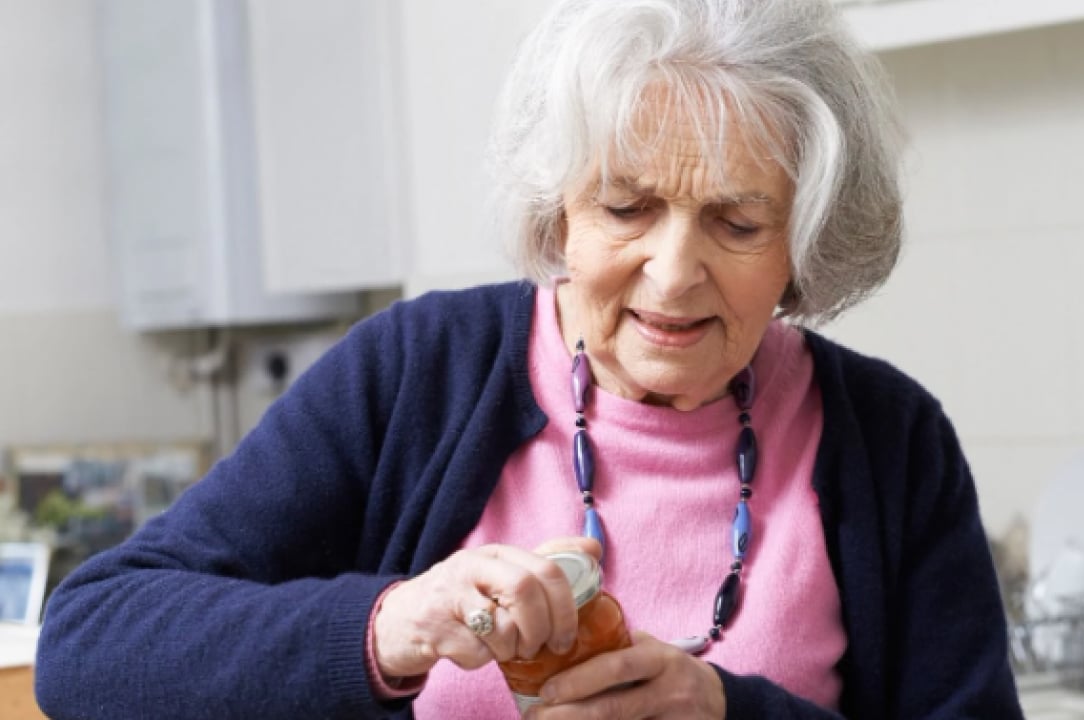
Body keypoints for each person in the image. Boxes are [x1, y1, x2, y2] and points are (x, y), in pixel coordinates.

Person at [35, 0, 1023, 717]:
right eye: (625, 208)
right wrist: (392, 626)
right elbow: (89, 646)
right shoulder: (417, 373)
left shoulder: (887, 441)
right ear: (557, 209)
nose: (671, 274)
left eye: (735, 221)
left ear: (802, 244)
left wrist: (725, 712)